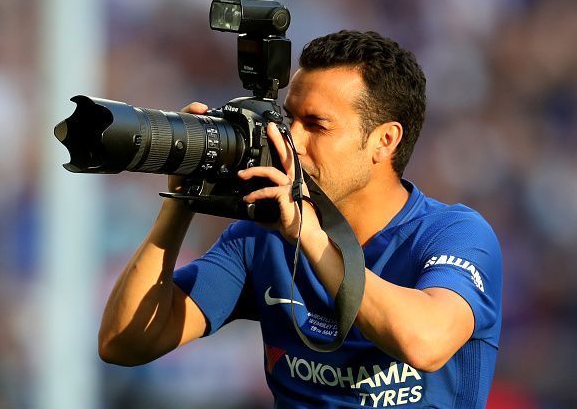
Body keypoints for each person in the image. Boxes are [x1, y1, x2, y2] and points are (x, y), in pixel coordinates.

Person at [98, 30, 502, 408]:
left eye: (317, 125)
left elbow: (424, 343)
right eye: (290, 119)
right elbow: (124, 342)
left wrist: (309, 235)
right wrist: (181, 202)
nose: (293, 140)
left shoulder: (453, 234)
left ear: (385, 140)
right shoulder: (261, 238)